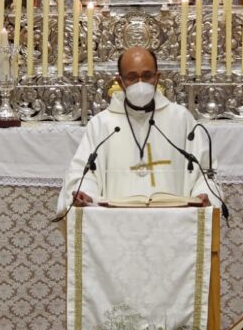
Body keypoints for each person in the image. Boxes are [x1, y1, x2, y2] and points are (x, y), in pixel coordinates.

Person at [56, 46, 218, 215]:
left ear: (157, 78)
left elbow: (205, 172)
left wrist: (203, 194)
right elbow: (84, 172)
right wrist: (86, 194)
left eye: (147, 76)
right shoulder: (102, 124)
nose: (140, 83)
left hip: (173, 222)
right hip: (115, 222)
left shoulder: (181, 119)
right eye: (132, 77)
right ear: (120, 82)